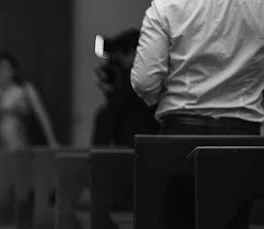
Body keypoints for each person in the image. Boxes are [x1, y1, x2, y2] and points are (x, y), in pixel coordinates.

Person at [131, 0, 264, 135]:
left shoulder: (165, 6)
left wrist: (159, 97)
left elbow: (145, 82)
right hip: (243, 131)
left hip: (182, 129)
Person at [90, 28, 158, 147]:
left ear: (134, 53)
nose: (120, 62)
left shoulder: (139, 79)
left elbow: (112, 112)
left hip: (135, 150)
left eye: (121, 55)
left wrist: (112, 91)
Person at [0, 52, 58, 151]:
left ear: (13, 71)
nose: (3, 73)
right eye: (0, 69)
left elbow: (42, 115)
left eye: (8, 69)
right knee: (5, 126)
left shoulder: (25, 89)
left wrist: (52, 141)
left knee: (11, 126)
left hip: (19, 142)